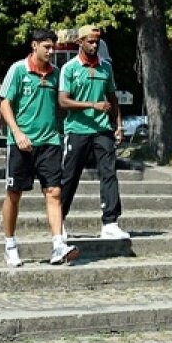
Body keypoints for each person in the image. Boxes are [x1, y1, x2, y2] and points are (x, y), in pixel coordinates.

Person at [0, 28, 78, 268]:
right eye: (47, 46)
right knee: (14, 194)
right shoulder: (19, 70)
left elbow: (61, 102)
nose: (51, 51)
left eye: (53, 47)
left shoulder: (55, 75)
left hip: (50, 141)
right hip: (22, 143)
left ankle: (57, 245)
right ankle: (10, 244)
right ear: (34, 46)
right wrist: (17, 133)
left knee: (54, 192)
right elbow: (4, 104)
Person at [58, 25, 129, 240]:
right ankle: (58, 220)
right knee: (70, 176)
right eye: (90, 41)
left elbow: (112, 98)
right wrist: (92, 105)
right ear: (80, 42)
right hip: (77, 129)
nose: (94, 45)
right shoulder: (70, 68)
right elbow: (63, 101)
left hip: (102, 129)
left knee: (109, 173)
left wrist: (118, 124)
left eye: (97, 41)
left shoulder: (105, 68)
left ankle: (110, 222)